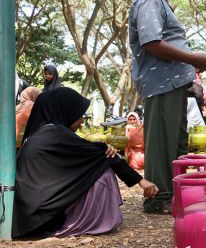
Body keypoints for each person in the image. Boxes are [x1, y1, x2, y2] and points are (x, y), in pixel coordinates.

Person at [12, 88, 158, 239]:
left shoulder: (42, 134)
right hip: (42, 219)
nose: (82, 121)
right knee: (104, 174)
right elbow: (102, 154)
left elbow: (95, 151)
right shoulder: (53, 134)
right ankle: (94, 222)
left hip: (31, 216)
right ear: (65, 111)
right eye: (78, 114)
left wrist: (102, 150)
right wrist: (141, 181)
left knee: (97, 166)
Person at [129, 0, 206, 214]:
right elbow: (152, 42)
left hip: (173, 82)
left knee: (176, 140)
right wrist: (191, 57)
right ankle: (158, 197)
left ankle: (172, 193)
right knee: (161, 141)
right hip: (160, 81)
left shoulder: (158, 0)